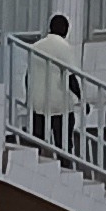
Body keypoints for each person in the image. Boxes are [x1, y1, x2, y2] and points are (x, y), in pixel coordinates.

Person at [18, 11, 85, 149]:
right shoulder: (64, 48)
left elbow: (28, 75)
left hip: (37, 101)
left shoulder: (36, 46)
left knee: (38, 139)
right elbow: (71, 78)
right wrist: (81, 98)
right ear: (66, 30)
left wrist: (29, 96)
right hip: (58, 103)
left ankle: (38, 160)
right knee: (63, 141)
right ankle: (65, 164)